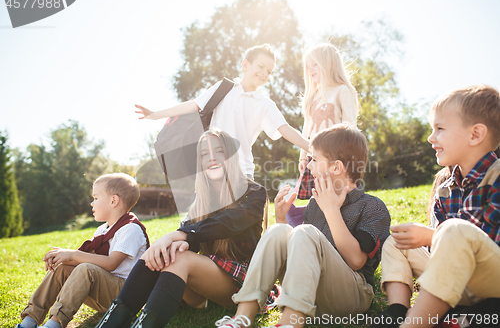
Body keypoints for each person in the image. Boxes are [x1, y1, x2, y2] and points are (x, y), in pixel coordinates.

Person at [215, 123, 391, 328]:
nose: (308, 166)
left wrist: (332, 211)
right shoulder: (315, 205)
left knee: (305, 232)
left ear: (336, 167)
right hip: (313, 295)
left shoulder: (372, 207)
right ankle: (242, 318)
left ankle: (291, 322)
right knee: (278, 230)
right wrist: (281, 219)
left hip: (353, 296)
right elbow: (300, 258)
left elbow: (356, 261)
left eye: (314, 159)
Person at [94, 129, 268, 328]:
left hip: (242, 282)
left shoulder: (253, 192)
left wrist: (180, 235)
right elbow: (188, 237)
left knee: (178, 254)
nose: (211, 158)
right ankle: (111, 323)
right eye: (204, 154)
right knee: (166, 252)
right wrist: (170, 243)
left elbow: (228, 222)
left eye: (219, 151)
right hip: (205, 283)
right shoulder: (201, 199)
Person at [371, 85, 500, 328]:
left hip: (492, 279)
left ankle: (415, 324)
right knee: (397, 242)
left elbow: (489, 244)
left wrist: (432, 236)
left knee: (453, 230)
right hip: (457, 280)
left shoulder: (497, 176)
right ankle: (398, 312)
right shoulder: (445, 189)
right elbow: (442, 254)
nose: (431, 138)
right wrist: (428, 238)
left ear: (475, 135)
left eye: (440, 129)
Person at [135, 44, 309, 179]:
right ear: (245, 65)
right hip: (211, 169)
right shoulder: (225, 88)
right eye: (261, 66)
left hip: (242, 171)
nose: (264, 73)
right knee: (201, 219)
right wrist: (155, 114)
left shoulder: (266, 104)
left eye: (269, 71)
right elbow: (194, 105)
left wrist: (311, 148)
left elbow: (285, 129)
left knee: (239, 222)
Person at [17, 173, 149, 328]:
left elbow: (111, 263)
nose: (92, 203)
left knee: (86, 269)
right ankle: (29, 320)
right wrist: (63, 258)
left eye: (96, 198)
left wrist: (74, 254)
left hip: (125, 296)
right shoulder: (102, 229)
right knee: (63, 268)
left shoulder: (131, 229)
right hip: (104, 292)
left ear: (113, 200)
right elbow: (90, 258)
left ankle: (54, 324)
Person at [297, 43, 359, 200]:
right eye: (308, 66)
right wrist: (303, 156)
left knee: (336, 195)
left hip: (334, 155)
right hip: (315, 157)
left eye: (315, 64)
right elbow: (307, 128)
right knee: (316, 197)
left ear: (329, 64)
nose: (311, 70)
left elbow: (349, 126)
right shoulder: (313, 97)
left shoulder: (342, 90)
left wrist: (344, 155)